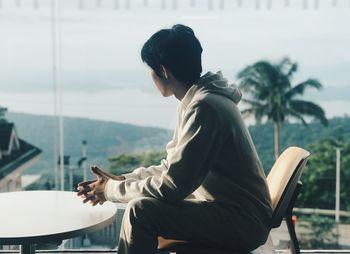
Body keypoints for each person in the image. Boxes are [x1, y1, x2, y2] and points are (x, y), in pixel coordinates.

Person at [77, 24, 273, 254]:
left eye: (151, 69)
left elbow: (172, 186)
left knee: (141, 212)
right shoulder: (202, 100)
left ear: (163, 69)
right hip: (235, 213)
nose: (150, 76)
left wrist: (111, 190)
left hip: (242, 222)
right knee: (142, 207)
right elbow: (171, 169)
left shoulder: (204, 107)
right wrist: (121, 179)